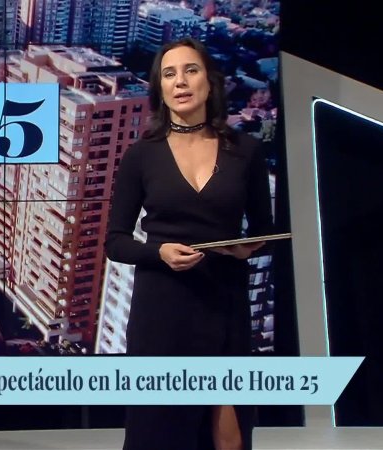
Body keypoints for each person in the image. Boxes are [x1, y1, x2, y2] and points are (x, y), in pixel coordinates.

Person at [104, 37, 274, 450]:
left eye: (190, 70)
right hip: (163, 309)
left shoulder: (246, 151)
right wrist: (158, 252)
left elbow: (266, 233)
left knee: (229, 434)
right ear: (160, 89)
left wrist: (248, 247)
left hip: (224, 301)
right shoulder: (141, 156)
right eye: (169, 74)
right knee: (160, 432)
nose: (180, 81)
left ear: (209, 82)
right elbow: (116, 242)